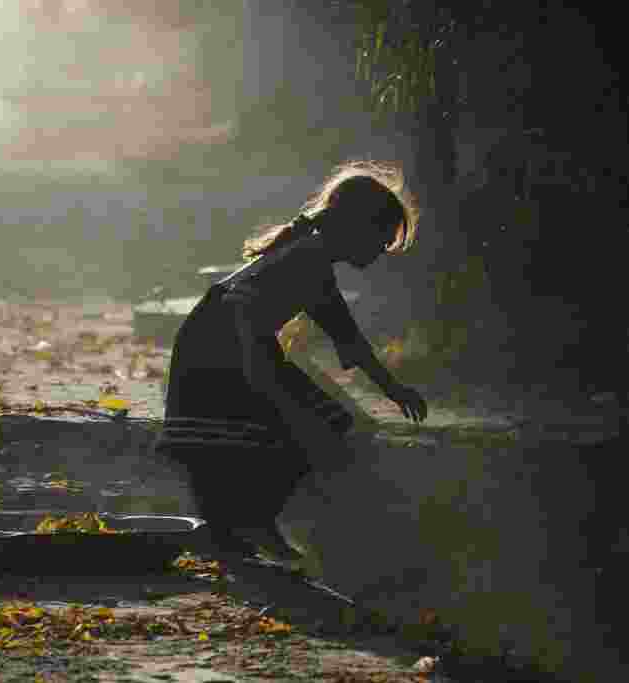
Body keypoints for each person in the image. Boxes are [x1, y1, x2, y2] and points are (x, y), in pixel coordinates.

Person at [151, 160, 428, 562]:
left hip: (226, 339)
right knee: (297, 428)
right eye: (382, 238)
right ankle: (254, 523)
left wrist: (394, 390)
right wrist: (257, 370)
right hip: (220, 344)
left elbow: (348, 340)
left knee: (306, 425)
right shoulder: (307, 257)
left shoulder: (312, 257)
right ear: (358, 227)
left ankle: (244, 529)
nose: (382, 251)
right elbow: (241, 307)